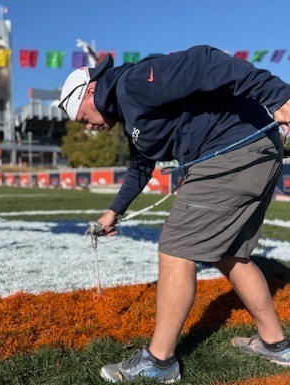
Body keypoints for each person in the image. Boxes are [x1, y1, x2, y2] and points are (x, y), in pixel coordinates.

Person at [58, 45, 290, 383]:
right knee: (229, 253)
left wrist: (279, 96)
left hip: (232, 152)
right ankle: (275, 344)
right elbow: (141, 167)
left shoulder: (132, 83)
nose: (90, 127)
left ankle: (160, 361)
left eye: (84, 118)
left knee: (175, 248)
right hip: (253, 152)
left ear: (90, 90)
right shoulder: (129, 109)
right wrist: (113, 213)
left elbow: (203, 61)